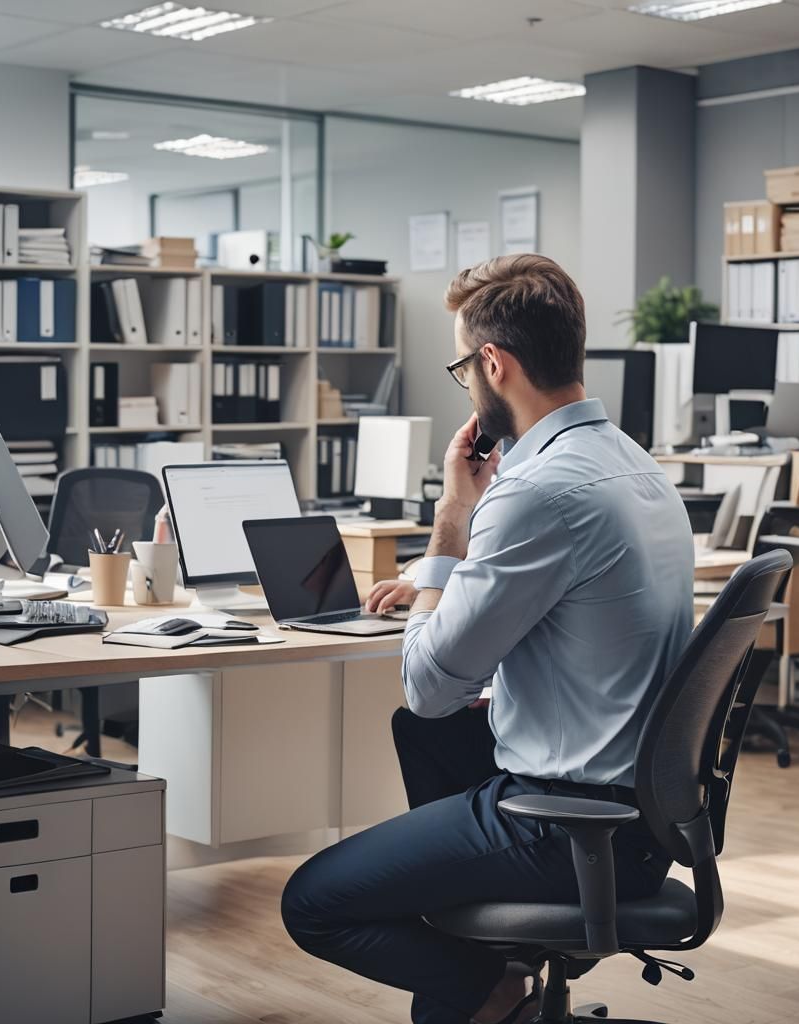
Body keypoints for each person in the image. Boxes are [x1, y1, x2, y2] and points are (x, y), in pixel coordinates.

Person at [281, 254, 695, 1024]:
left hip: (566, 824)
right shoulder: (637, 466)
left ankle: (486, 989)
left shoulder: (536, 492)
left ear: (493, 364)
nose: (467, 384)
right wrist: (456, 584)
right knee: (424, 740)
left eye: (463, 368)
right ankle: (494, 962)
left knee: (314, 901)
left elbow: (430, 684)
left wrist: (450, 527)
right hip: (649, 815)